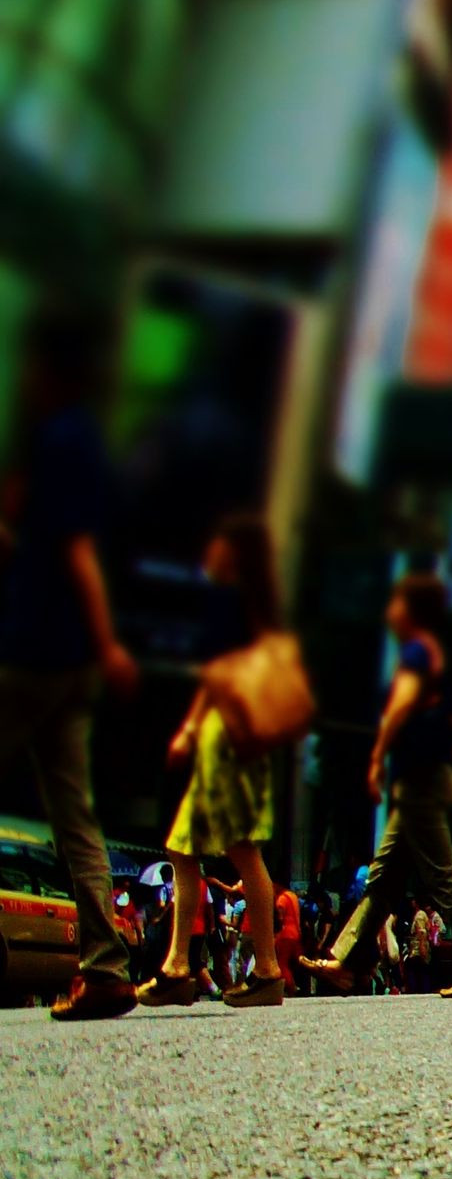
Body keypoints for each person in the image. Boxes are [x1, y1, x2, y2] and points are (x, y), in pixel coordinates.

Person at [2, 309, 140, 1020]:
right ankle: (106, 967)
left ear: (48, 371)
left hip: (35, 650)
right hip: (72, 664)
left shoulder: (59, 439)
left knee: (74, 813)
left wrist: (107, 640)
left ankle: (107, 968)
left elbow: (77, 550)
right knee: (75, 816)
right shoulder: (86, 442)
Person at [300, 576, 452, 998]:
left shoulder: (416, 652)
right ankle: (348, 963)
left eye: (395, 604)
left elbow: (402, 704)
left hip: (419, 780)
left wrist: (377, 756)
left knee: (442, 876)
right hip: (427, 777)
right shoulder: (437, 658)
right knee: (384, 878)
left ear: (411, 611)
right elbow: (451, 732)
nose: (389, 612)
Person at [143, 517, 297, 1009]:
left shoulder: (233, 604)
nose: (208, 550)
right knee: (182, 848)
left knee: (241, 851)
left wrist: (189, 727)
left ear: (233, 553)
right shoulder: (256, 608)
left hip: (228, 738)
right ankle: (177, 966)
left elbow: (218, 676)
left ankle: (266, 970)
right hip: (232, 738)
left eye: (217, 543)